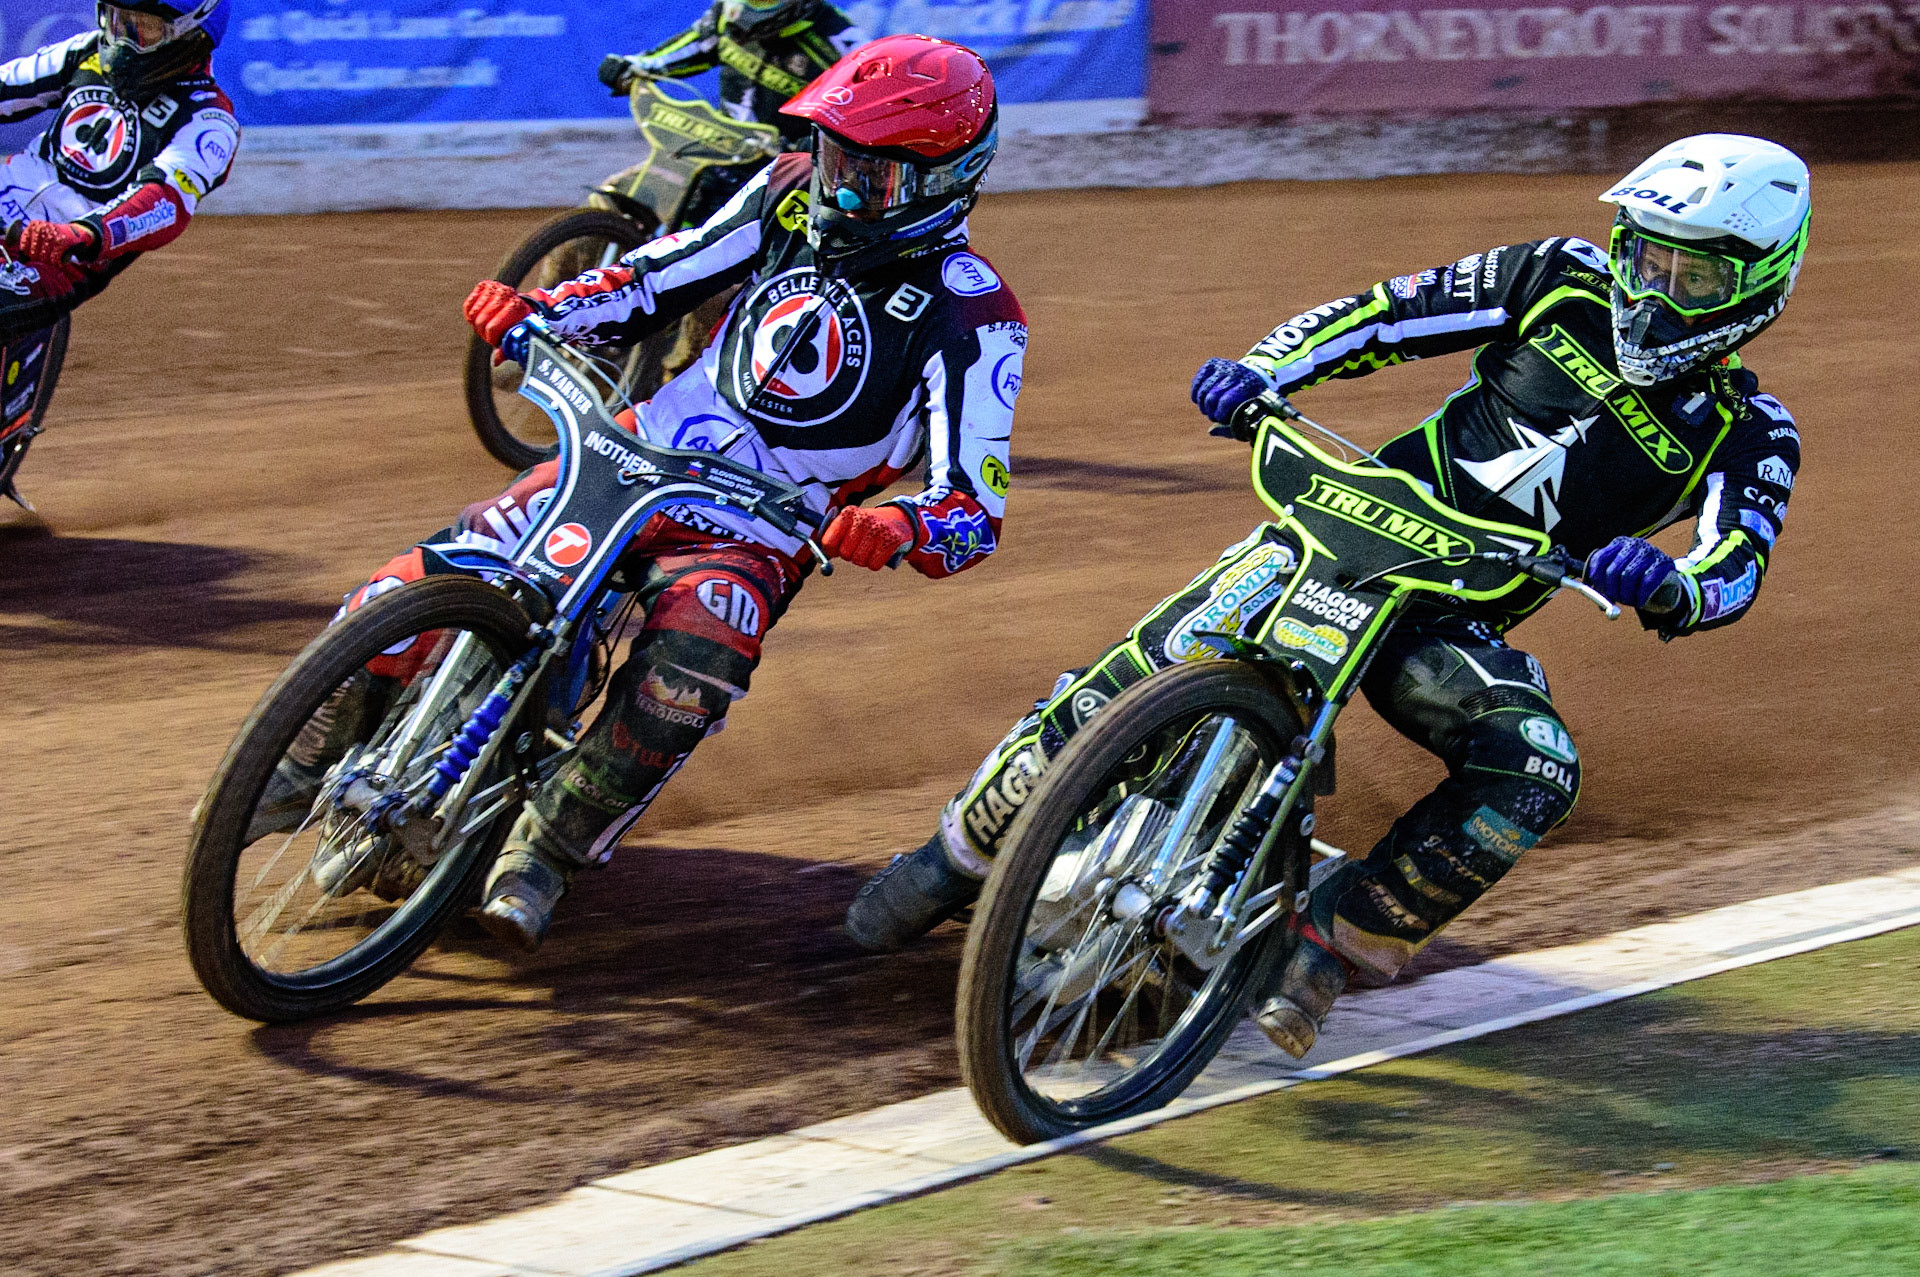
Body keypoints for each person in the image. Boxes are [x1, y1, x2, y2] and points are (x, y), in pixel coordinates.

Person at [847, 133, 1808, 1059]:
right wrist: (1263, 370)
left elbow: (1736, 562)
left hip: (1455, 612)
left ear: (1759, 284)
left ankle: (1329, 944)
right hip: (1340, 527)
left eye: (1694, 276)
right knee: (1136, 672)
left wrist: (1674, 586)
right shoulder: (1558, 274)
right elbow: (1386, 313)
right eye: (1644, 256)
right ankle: (954, 858)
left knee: (1536, 768)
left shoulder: (1753, 430)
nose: (1655, 290)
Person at [292, 35, 1023, 954]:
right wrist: (545, 313)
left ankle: (548, 844)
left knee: (700, 649)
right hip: (636, 449)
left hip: (760, 525)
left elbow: (974, 508)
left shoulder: (976, 316)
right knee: (419, 581)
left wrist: (899, 526)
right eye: (833, 157)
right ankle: (300, 753)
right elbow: (658, 275)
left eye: (867, 176)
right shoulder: (787, 190)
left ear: (943, 182)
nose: (837, 188)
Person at [0, 1, 238, 503]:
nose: (123, 39)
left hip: (59, 255)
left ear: (190, 36)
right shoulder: (86, 53)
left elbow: (163, 202)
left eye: (143, 28)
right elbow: (7, 85)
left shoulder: (209, 120)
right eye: (116, 20)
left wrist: (81, 235)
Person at [597, 0, 869, 146]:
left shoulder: (843, 39)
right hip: (726, 147)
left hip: (792, 164)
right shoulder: (725, 15)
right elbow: (689, 48)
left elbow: (871, 106)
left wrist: (820, 147)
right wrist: (631, 67)